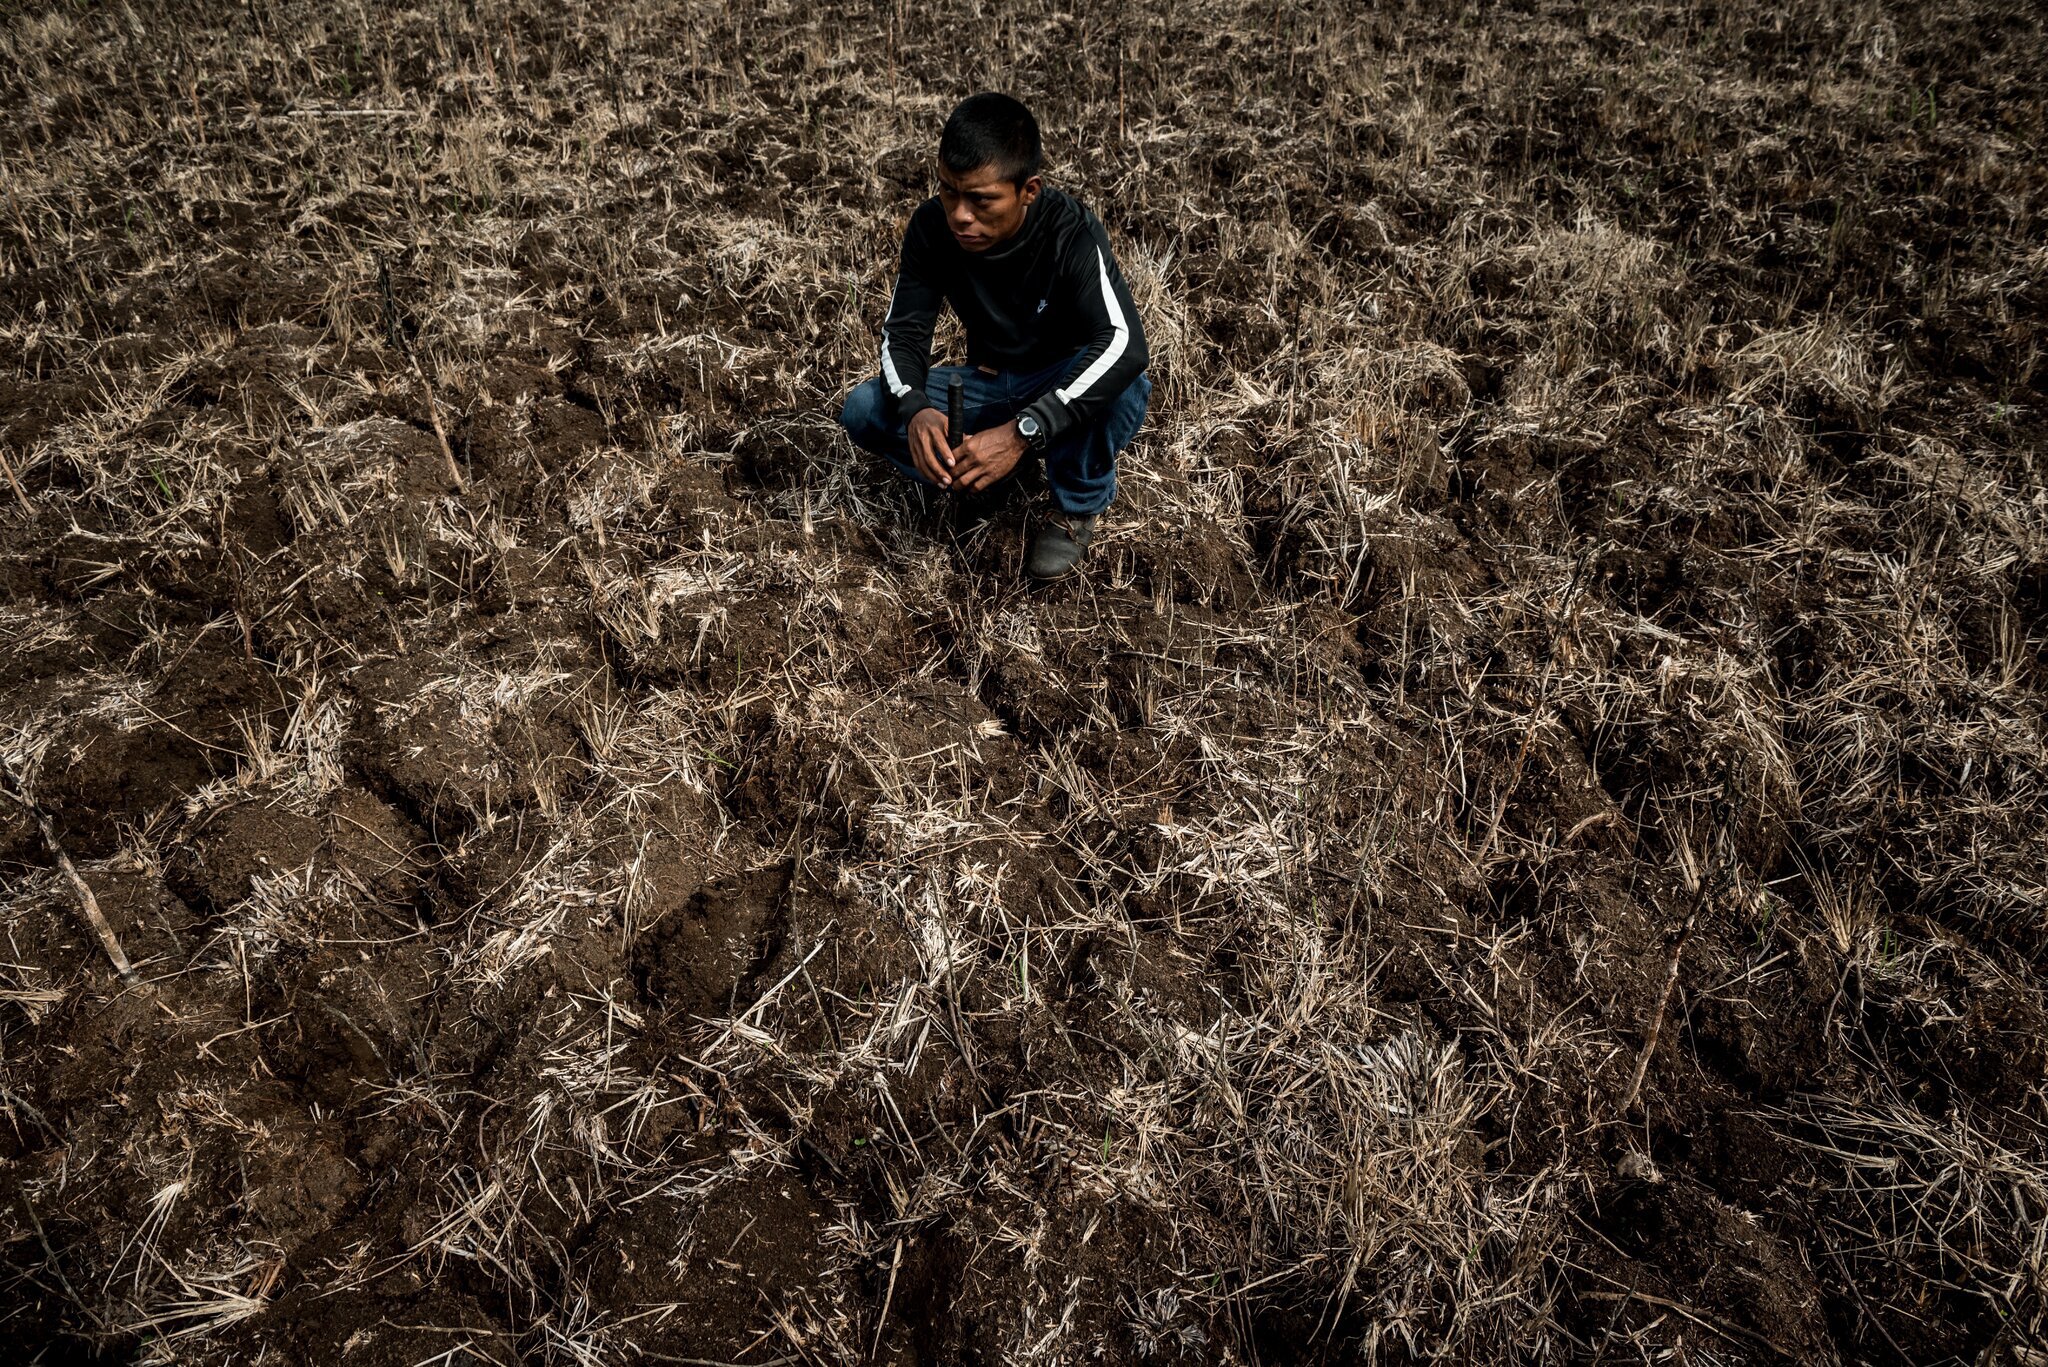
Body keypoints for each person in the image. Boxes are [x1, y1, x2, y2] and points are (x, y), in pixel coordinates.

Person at [839, 93, 1152, 580]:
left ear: (1028, 189)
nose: (960, 215)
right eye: (948, 192)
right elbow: (903, 335)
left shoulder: (1069, 233)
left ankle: (1075, 507)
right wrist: (917, 407)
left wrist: (1023, 431)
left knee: (1122, 384)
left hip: (1058, 384)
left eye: (981, 200)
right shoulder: (931, 229)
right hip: (988, 383)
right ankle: (974, 478)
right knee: (864, 409)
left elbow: (1123, 344)